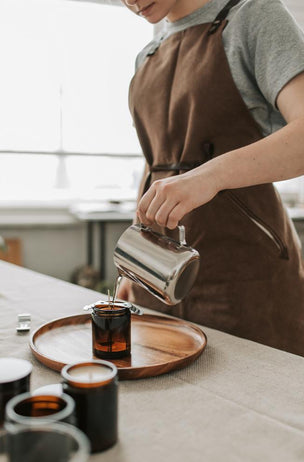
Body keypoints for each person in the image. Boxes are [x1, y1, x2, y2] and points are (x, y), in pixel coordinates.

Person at [118, 0, 304, 356]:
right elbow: (155, 164)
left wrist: (209, 175)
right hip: (155, 272)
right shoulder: (147, 57)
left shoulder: (252, 16)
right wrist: (133, 261)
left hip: (246, 274)